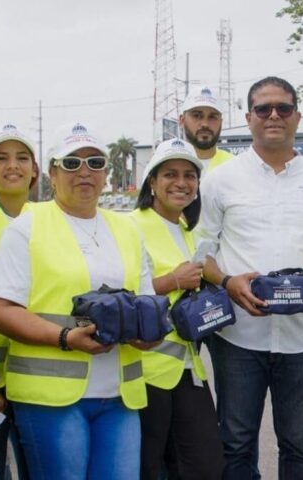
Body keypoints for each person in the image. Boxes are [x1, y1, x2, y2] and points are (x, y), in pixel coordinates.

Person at [0, 122, 156, 479]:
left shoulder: (126, 230)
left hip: (119, 397)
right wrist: (63, 337)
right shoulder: (27, 227)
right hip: (52, 399)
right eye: (72, 164)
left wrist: (147, 332)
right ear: (52, 173)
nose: (85, 172)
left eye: (95, 162)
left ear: (107, 173)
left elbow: (145, 303)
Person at [197, 76, 303, 479]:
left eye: (283, 108)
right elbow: (201, 253)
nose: (274, 116)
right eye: (263, 109)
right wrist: (228, 282)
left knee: (299, 444)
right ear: (248, 118)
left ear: (297, 115)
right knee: (236, 443)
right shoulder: (221, 180)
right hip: (239, 338)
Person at [131, 138, 225, 479]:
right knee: (149, 466)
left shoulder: (189, 232)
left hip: (187, 367)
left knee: (206, 465)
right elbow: (123, 297)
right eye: (170, 174)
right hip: (145, 369)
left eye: (189, 176)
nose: (181, 183)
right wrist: (171, 280)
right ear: (151, 182)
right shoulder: (130, 226)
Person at [0, 123, 39, 479]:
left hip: (36, 371)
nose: (12, 166)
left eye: (21, 158)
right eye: (1, 158)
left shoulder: (48, 220)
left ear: (35, 170)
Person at [180, 85, 234, 176]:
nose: (205, 124)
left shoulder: (235, 167)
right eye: (197, 116)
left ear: (221, 122)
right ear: (182, 120)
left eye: (212, 117)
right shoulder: (168, 164)